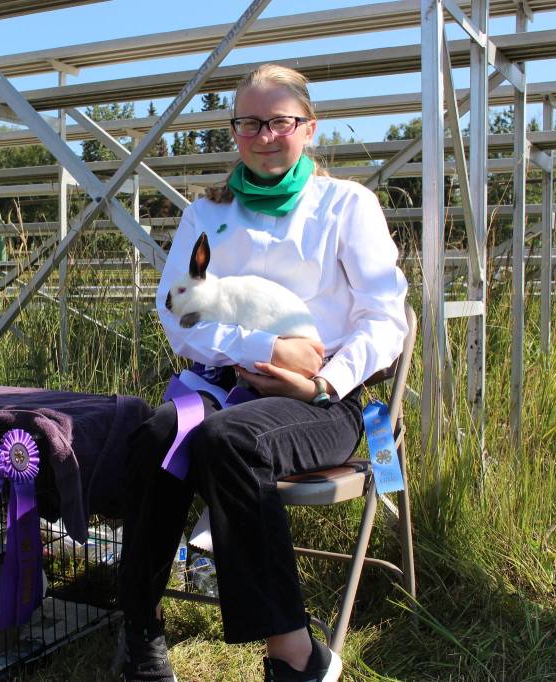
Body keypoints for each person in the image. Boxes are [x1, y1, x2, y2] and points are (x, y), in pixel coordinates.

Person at [118, 64, 408, 682]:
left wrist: (322, 380)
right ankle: (139, 630)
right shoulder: (206, 215)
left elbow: (385, 320)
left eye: (281, 121)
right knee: (158, 433)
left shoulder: (346, 206)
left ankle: (294, 653)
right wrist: (264, 347)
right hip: (222, 385)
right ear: (234, 131)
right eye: (249, 122)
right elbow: (177, 315)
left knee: (231, 441)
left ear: (309, 128)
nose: (264, 134)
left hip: (323, 400)